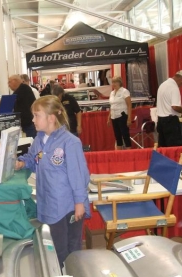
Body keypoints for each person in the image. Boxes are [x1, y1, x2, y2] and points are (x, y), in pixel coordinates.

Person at [15, 95, 90, 267]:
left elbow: (78, 175)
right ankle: (63, 276)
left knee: (71, 247)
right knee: (57, 247)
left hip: (68, 205)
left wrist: (80, 202)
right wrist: (22, 162)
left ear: (51, 118)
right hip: (49, 202)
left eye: (36, 115)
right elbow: (33, 159)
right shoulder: (40, 139)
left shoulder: (70, 142)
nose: (33, 119)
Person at [156, 70, 182, 147]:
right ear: (180, 79)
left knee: (164, 149)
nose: (180, 86)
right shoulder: (174, 87)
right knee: (174, 148)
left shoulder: (163, 85)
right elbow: (175, 107)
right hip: (170, 122)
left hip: (161, 120)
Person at [107, 76, 132, 150]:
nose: (113, 84)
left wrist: (129, 118)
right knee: (117, 136)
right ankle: (119, 153)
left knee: (125, 135)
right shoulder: (112, 93)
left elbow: (129, 105)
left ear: (119, 83)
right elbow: (112, 106)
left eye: (115, 82)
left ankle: (129, 152)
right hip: (114, 117)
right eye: (112, 82)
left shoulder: (124, 91)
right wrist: (109, 118)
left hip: (122, 116)